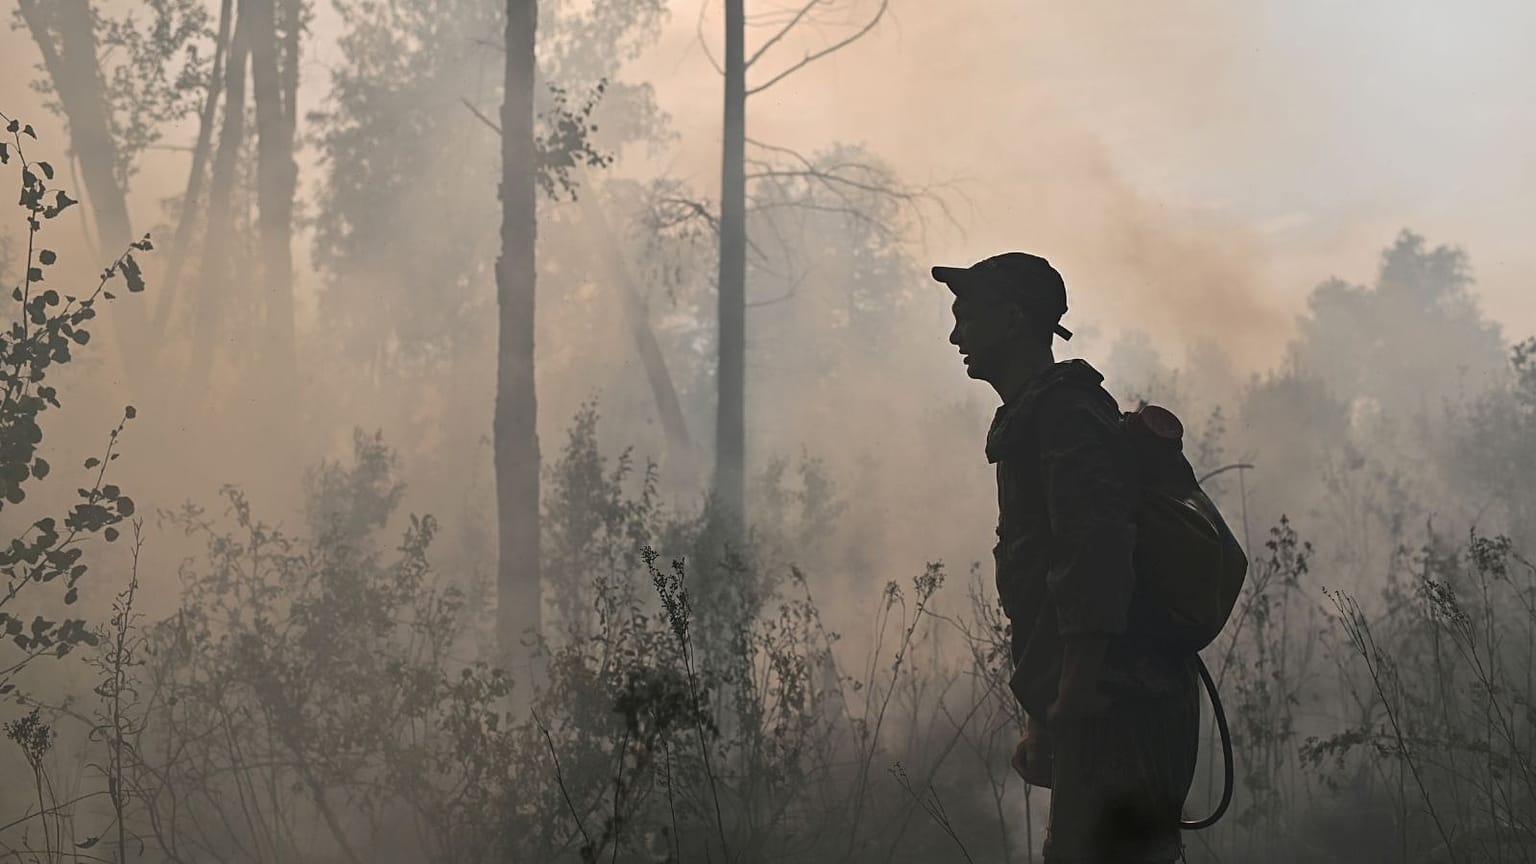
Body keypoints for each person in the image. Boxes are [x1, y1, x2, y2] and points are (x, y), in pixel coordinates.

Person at [934, 252, 1200, 863]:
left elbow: (1094, 557)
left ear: (1012, 319)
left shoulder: (1066, 417)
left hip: (1119, 703)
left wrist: (1074, 694)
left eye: (966, 316)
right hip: (1099, 699)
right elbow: (1049, 579)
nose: (955, 336)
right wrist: (1045, 715)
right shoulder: (1039, 417)